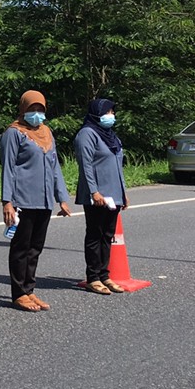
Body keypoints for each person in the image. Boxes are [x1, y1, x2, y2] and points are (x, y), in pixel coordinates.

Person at [0, 91, 73, 310]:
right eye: (32, 109)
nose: (37, 114)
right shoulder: (14, 133)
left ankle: (29, 290)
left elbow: (55, 166)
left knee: (36, 248)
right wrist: (7, 201)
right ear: (23, 110)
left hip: (44, 201)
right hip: (23, 199)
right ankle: (19, 293)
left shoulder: (47, 132)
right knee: (21, 247)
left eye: (40, 110)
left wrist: (62, 198)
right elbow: (8, 167)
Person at [74, 98, 129, 294]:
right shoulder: (87, 134)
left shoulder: (111, 136)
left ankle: (105, 275)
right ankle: (93, 277)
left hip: (114, 194)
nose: (111, 116)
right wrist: (93, 191)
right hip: (96, 195)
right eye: (108, 112)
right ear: (97, 113)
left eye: (112, 112)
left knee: (108, 235)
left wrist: (123, 192)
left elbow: (117, 165)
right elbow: (85, 165)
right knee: (95, 234)